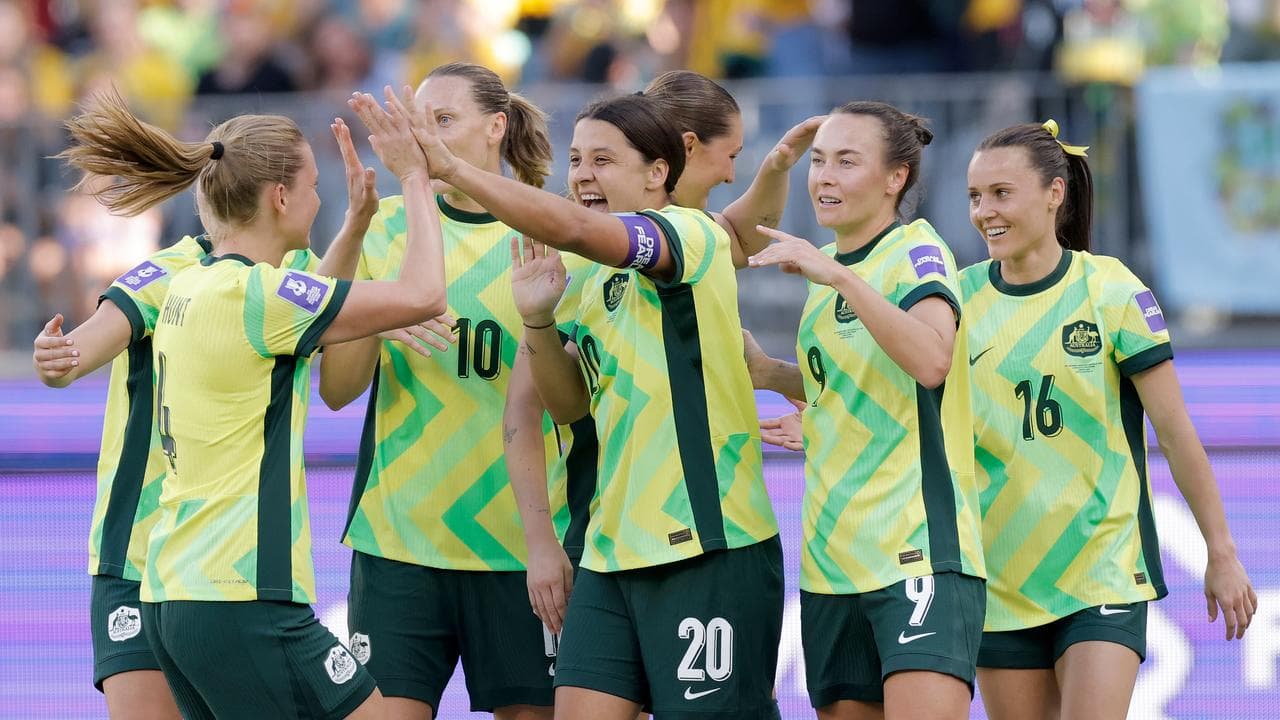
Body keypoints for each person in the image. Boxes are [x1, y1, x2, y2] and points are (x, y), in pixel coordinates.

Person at [54, 85, 449, 719]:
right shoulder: (258, 296)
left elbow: (309, 313)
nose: (319, 199)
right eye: (313, 186)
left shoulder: (193, 286)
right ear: (281, 197)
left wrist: (356, 228)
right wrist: (416, 177)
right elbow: (425, 293)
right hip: (239, 591)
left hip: (175, 586)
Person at [410, 90, 783, 719]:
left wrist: (450, 168)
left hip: (704, 543)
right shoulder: (583, 277)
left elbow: (579, 228)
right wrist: (536, 320)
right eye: (577, 159)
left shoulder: (689, 233)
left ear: (657, 171)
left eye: (603, 160)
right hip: (609, 547)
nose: (583, 174)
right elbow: (567, 408)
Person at [502, 69, 822, 638]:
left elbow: (740, 234)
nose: (731, 173)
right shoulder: (577, 256)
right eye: (732, 156)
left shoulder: (690, 235)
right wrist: (542, 543)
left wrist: (777, 166)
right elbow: (535, 410)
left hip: (690, 534)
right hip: (597, 530)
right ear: (683, 150)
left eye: (599, 159)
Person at [961, 120, 1257, 720]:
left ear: (1055, 193)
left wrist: (1221, 551)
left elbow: (1175, 433)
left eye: (1001, 193)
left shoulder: (1111, 290)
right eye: (975, 196)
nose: (984, 211)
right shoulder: (958, 297)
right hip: (999, 578)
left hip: (1102, 567)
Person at [319, 62, 563, 720]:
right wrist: (378, 321)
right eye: (420, 122)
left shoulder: (548, 230)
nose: (425, 136)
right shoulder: (387, 227)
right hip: (399, 541)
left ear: (497, 126)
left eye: (444, 120)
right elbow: (337, 391)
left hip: (520, 543)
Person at [747, 102, 986, 720]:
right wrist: (771, 375)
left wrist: (838, 277)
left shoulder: (914, 249)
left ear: (894, 178)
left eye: (847, 162)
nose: (825, 177)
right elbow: (854, 385)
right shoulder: (823, 280)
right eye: (819, 161)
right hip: (831, 560)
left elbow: (931, 360)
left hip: (916, 547)